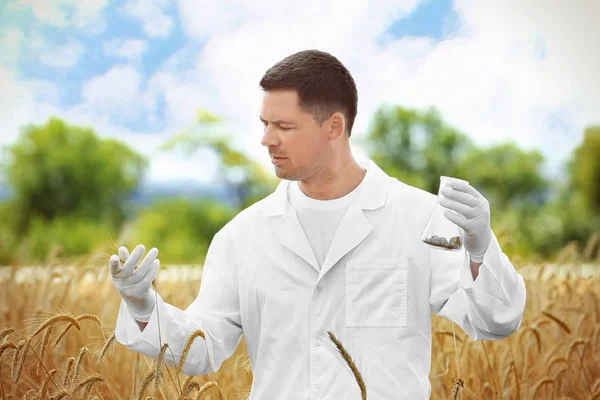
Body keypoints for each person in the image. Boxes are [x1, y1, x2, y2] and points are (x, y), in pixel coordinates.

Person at [109, 49, 527, 399]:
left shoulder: (422, 219)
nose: (266, 140)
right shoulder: (241, 236)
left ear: (334, 127)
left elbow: (494, 321)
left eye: (284, 126)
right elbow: (203, 348)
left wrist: (479, 248)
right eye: (264, 124)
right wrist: (145, 307)